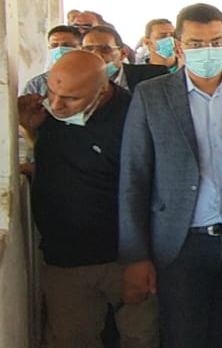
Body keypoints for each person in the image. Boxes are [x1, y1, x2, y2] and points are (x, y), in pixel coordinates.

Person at [119, 3, 222, 348]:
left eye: (215, 42)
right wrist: (135, 256)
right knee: (183, 335)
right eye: (196, 43)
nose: (207, 50)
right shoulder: (152, 95)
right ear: (179, 46)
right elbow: (134, 177)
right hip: (180, 243)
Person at [19, 51, 158, 348]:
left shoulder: (134, 117)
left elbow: (146, 189)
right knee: (71, 339)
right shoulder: (47, 114)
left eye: (70, 98)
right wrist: (30, 128)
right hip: (64, 260)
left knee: (140, 337)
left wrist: (138, 259)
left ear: (103, 90)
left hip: (122, 259)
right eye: (52, 92)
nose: (57, 105)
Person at [84, 25, 169, 91]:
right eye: (88, 49)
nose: (96, 55)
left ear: (123, 53)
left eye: (105, 49)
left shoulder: (153, 76)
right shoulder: (78, 82)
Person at [21, 25, 82, 96]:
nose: (59, 49)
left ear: (80, 48)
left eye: (66, 45)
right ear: (49, 48)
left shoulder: (90, 80)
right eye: (54, 46)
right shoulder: (36, 85)